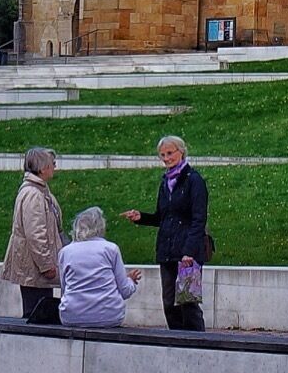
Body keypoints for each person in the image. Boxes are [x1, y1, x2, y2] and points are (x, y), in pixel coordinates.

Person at [123, 134, 210, 331]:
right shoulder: (165, 183)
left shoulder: (194, 180)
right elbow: (162, 217)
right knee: (169, 303)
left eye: (170, 153)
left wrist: (189, 251)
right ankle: (176, 340)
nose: (166, 158)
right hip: (167, 251)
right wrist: (141, 218)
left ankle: (197, 342)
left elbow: (198, 220)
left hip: (188, 253)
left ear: (181, 152)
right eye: (162, 155)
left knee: (188, 303)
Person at [1, 146, 63, 323]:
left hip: (37, 268)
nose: (55, 167)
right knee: (36, 315)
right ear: (43, 168)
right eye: (53, 164)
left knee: (42, 313)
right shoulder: (33, 194)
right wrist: (46, 265)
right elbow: (36, 234)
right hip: (34, 269)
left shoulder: (40, 190)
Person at [55, 207, 143, 329]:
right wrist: (131, 280)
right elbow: (125, 291)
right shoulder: (110, 249)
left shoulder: (65, 252)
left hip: (71, 316)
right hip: (109, 316)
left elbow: (65, 289)